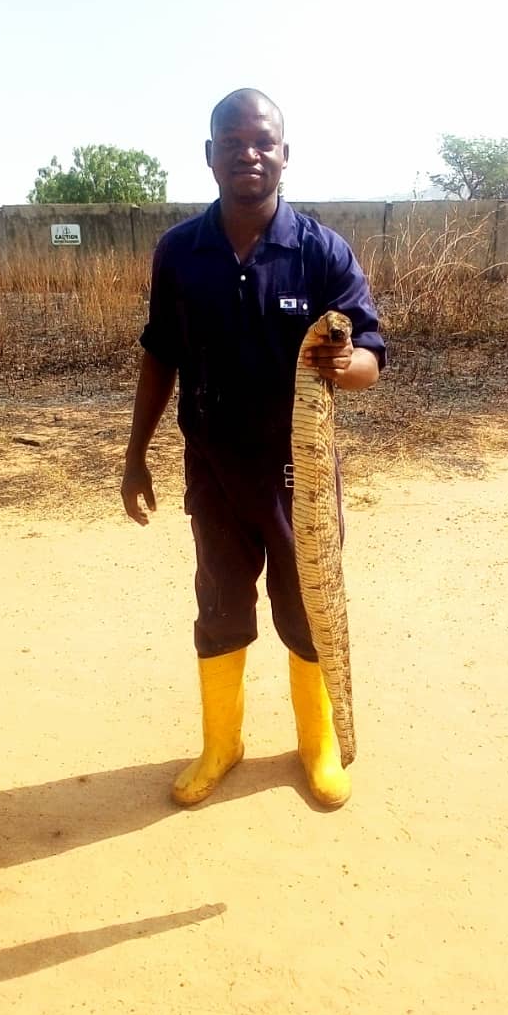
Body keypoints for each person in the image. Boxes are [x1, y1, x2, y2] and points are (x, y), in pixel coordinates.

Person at [121, 88, 385, 809]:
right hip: (213, 471)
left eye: (264, 141)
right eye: (233, 141)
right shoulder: (181, 252)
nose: (250, 153)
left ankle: (316, 744)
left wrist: (345, 366)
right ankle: (222, 744)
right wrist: (135, 454)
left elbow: (371, 357)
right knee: (220, 606)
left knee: (310, 607)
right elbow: (160, 354)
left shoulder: (320, 251)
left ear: (285, 156)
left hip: (296, 475)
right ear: (210, 157)